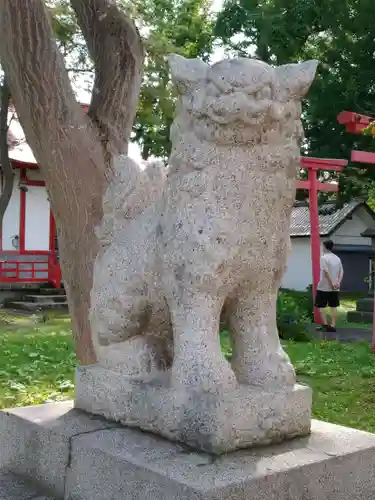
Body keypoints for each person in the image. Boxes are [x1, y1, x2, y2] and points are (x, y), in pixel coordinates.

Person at [315, 240, 344, 332]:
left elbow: (326, 271)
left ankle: (325, 325)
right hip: (335, 288)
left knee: (321, 307)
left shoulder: (323, 258)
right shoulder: (337, 258)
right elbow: (341, 272)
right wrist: (337, 283)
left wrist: (331, 283)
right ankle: (333, 325)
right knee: (333, 306)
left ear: (324, 247)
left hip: (324, 287)